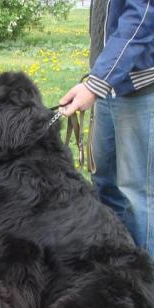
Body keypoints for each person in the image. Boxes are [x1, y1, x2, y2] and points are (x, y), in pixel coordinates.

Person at [58, 0, 154, 256]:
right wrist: (99, 80)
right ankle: (118, 269)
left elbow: (141, 19)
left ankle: (145, 284)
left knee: (137, 196)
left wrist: (96, 83)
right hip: (108, 87)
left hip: (141, 89)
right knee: (104, 184)